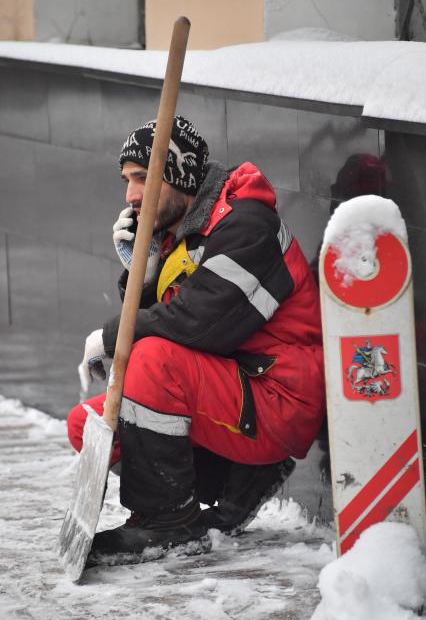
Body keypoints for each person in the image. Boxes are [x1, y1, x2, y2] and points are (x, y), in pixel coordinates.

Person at [67, 115, 325, 562]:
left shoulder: (246, 226)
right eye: (127, 180)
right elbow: (174, 320)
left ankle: (167, 523)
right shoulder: (184, 231)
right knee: (88, 425)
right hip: (232, 385)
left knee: (150, 361)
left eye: (142, 179)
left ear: (179, 174)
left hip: (278, 396)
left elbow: (200, 325)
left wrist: (112, 335)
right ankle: (232, 480)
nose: (130, 196)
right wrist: (141, 276)